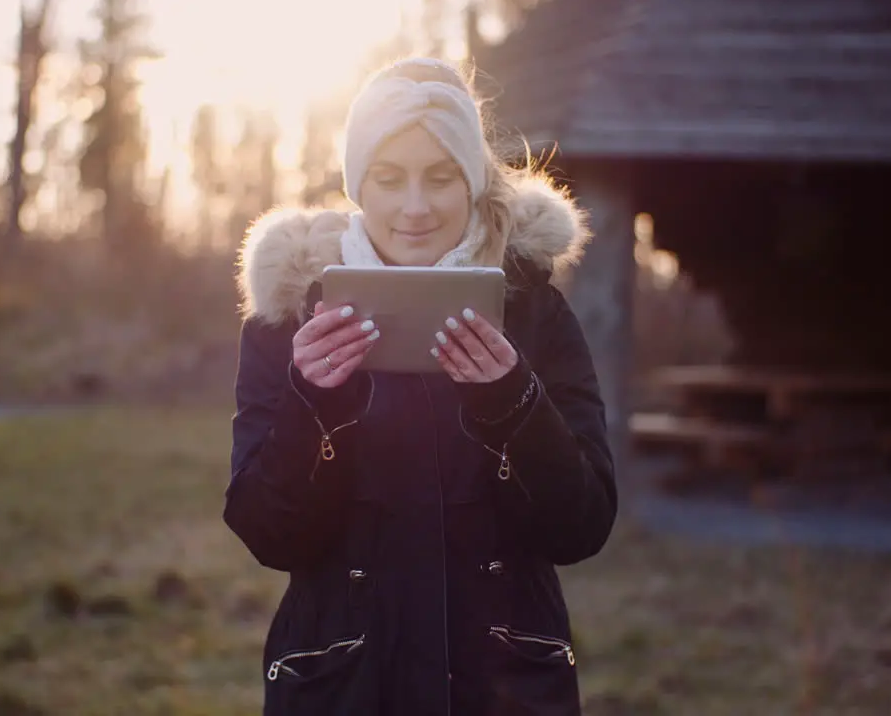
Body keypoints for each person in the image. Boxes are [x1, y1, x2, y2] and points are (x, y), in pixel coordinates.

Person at [225, 56, 617, 716]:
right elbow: (270, 535)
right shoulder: (292, 317)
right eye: (388, 178)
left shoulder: (533, 310)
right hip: (343, 691)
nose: (414, 207)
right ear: (358, 186)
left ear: (470, 183)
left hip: (504, 690)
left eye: (439, 178)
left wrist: (512, 402)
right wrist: (314, 404)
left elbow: (581, 526)